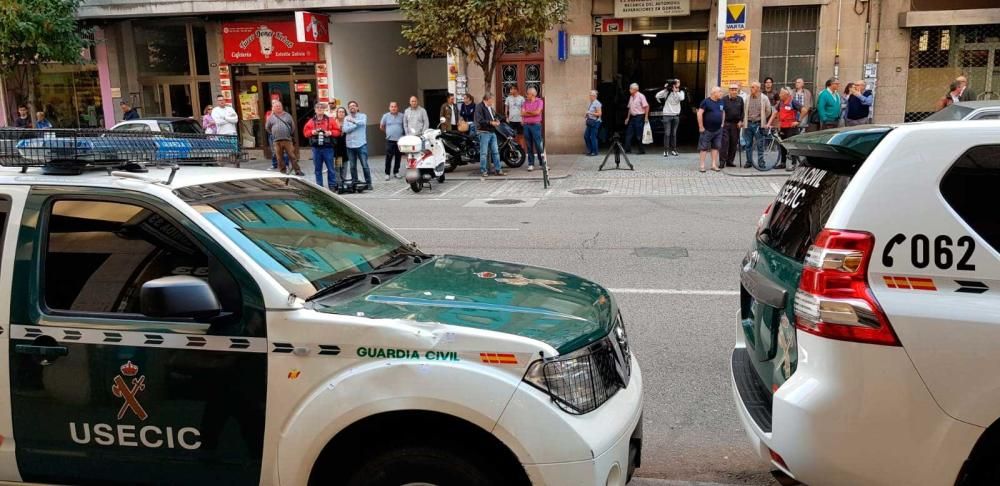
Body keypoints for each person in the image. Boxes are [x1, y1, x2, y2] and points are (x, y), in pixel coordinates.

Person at [768, 88, 807, 171]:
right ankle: (783, 163)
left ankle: (794, 164)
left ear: (787, 95)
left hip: (791, 127)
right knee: (782, 145)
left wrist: (798, 121)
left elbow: (804, 110)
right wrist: (770, 124)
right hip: (783, 127)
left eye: (781, 94)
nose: (779, 95)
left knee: (791, 146)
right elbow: (776, 113)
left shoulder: (793, 102)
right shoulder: (780, 103)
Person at [303, 101, 338, 190]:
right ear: (315, 110)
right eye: (318, 108)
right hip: (316, 149)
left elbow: (338, 132)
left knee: (331, 168)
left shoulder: (330, 120)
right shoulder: (311, 122)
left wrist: (330, 132)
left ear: (324, 110)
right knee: (317, 170)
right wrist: (312, 132)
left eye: (321, 108)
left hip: (328, 148)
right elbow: (305, 133)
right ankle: (320, 187)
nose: (319, 109)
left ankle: (332, 186)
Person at [265, 100, 303, 176]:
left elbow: (293, 126)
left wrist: (288, 134)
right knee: (279, 157)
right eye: (276, 106)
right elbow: (267, 127)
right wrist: (274, 133)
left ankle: (297, 170)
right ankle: (283, 172)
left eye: (279, 106)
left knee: (292, 156)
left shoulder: (287, 115)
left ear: (282, 107)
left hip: (287, 139)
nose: (278, 107)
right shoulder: (271, 117)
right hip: (276, 141)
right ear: (273, 108)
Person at [742, 81, 775, 168]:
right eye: (751, 87)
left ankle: (761, 162)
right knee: (748, 144)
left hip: (758, 124)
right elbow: (744, 110)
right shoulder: (747, 98)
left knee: (760, 144)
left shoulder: (764, 98)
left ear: (758, 88)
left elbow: (768, 110)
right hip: (748, 124)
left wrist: (762, 118)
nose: (751, 89)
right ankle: (749, 162)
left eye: (752, 87)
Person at [343, 100, 373, 189]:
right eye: (350, 106)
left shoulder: (363, 116)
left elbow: (363, 123)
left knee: (365, 165)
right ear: (348, 109)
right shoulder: (346, 118)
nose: (352, 107)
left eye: (354, 105)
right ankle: (354, 182)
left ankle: (369, 183)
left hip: (361, 145)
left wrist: (352, 121)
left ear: (357, 107)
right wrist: (355, 124)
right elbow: (345, 130)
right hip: (350, 146)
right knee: (352, 166)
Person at [474, 93, 504, 177]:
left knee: (495, 152)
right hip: (483, 132)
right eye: (491, 100)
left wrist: (496, 120)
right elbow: (480, 120)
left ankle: (498, 170)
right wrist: (491, 122)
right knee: (484, 153)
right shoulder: (479, 107)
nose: (492, 101)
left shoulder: (490, 107)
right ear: (487, 99)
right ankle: (483, 170)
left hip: (492, 132)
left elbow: (493, 117)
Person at [697, 87, 725, 172]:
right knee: (703, 148)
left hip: (718, 130)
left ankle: (713, 165)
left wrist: (722, 123)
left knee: (716, 147)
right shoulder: (706, 102)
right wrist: (701, 127)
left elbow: (723, 112)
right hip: (707, 130)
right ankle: (702, 166)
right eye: (720, 92)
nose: (721, 93)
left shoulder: (721, 102)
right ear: (714, 93)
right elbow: (699, 114)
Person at [656, 79, 685, 156]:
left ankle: (674, 150)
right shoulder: (667, 92)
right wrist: (665, 89)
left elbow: (682, 98)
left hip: (676, 116)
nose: (676, 84)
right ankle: (666, 151)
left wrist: (676, 91)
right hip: (667, 115)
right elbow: (657, 95)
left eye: (678, 82)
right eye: (675, 82)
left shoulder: (681, 92)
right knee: (667, 133)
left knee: (674, 134)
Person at [721, 83, 745, 168]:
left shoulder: (740, 99)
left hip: (736, 125)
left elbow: (742, 112)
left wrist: (741, 121)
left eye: (735, 89)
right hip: (726, 124)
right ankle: (722, 162)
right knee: (725, 143)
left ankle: (730, 161)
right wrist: (722, 123)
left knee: (733, 143)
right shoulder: (723, 99)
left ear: (737, 90)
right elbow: (721, 111)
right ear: (729, 90)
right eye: (732, 89)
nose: (734, 91)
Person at [380, 101, 405, 180]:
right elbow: (381, 126)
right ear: (389, 108)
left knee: (398, 157)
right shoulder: (385, 116)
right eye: (392, 106)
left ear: (397, 108)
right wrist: (387, 133)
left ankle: (396, 172)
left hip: (399, 140)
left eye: (395, 106)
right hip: (389, 140)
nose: (393, 108)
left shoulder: (402, 116)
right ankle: (387, 173)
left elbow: (405, 126)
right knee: (389, 157)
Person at [623, 83, 649, 154]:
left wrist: (646, 117)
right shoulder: (631, 96)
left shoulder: (641, 96)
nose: (629, 90)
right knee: (628, 133)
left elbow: (646, 106)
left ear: (635, 90)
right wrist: (627, 118)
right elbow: (629, 108)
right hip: (632, 117)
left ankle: (641, 150)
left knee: (639, 134)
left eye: (630, 88)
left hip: (639, 117)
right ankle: (627, 149)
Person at [522, 87, 544, 171]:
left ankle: (542, 163)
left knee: (538, 145)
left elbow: (538, 112)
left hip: (536, 125)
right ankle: (531, 164)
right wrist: (532, 113)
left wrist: (527, 112)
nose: (526, 95)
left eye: (528, 94)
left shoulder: (539, 101)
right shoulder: (525, 102)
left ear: (533, 94)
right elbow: (522, 113)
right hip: (526, 126)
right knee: (529, 145)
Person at [584, 90, 602, 156]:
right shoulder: (591, 103)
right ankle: (590, 150)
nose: (589, 96)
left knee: (593, 137)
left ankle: (595, 152)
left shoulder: (597, 103)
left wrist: (590, 113)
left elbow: (599, 114)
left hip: (595, 122)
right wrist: (587, 115)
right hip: (590, 122)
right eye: (590, 95)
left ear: (594, 96)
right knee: (586, 136)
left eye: (590, 95)